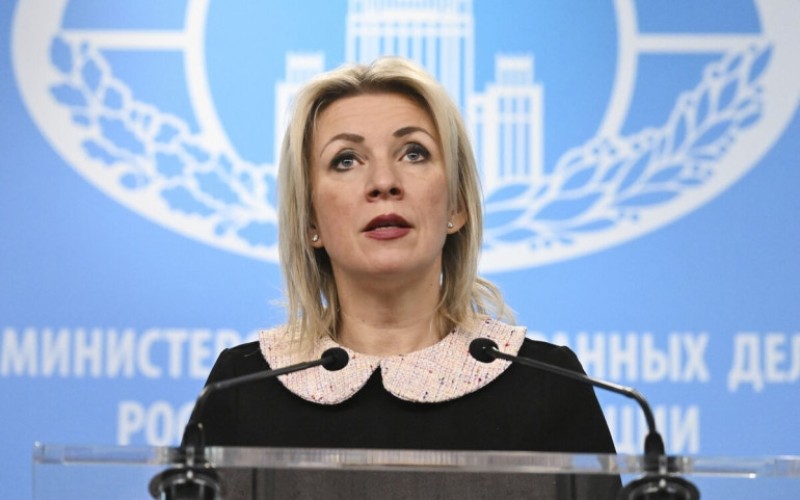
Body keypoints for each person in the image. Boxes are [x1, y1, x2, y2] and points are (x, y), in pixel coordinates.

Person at [186, 57, 619, 496]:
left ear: (456, 206)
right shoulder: (240, 388)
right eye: (346, 160)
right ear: (310, 220)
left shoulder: (548, 383)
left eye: (414, 153)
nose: (383, 182)